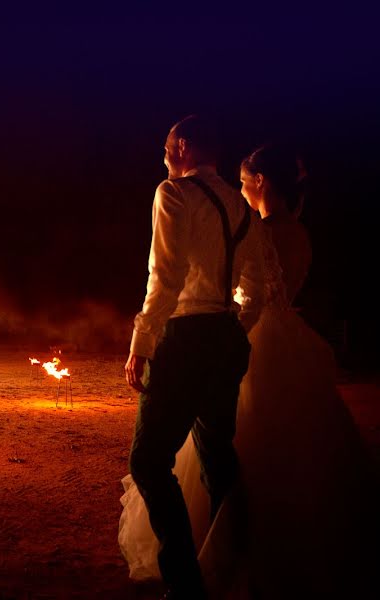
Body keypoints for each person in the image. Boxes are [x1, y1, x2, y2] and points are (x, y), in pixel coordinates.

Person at [120, 143, 380, 597]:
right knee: (230, 449)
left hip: (223, 334)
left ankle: (205, 566)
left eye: (245, 181)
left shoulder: (188, 199)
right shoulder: (289, 229)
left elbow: (169, 275)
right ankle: (237, 547)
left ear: (260, 181)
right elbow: (266, 288)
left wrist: (150, 339)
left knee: (177, 454)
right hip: (259, 335)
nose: (241, 187)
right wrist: (231, 326)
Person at [122, 115, 268, 599]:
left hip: (184, 338)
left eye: (166, 149)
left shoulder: (173, 193)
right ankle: (245, 563)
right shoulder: (242, 205)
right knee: (217, 456)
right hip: (225, 336)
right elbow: (256, 289)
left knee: (147, 460)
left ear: (183, 147)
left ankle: (186, 583)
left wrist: (141, 345)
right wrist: (230, 327)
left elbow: (164, 276)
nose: (163, 158)